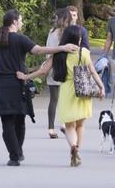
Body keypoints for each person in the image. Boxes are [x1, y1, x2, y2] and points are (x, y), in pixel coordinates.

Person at [0, 9, 79, 166]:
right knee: (20, 120)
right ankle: (18, 152)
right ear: (14, 22)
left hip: (2, 84)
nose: (22, 23)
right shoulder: (20, 39)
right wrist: (62, 48)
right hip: (18, 83)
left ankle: (14, 156)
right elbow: (39, 50)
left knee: (6, 122)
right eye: (20, 20)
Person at [18, 25, 104, 167]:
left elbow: (43, 71)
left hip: (66, 90)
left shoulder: (59, 53)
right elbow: (93, 72)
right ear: (79, 38)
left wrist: (26, 76)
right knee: (80, 125)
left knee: (69, 126)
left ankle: (73, 146)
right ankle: (78, 150)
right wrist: (101, 87)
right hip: (82, 91)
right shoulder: (84, 52)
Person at [43, 8, 72, 138]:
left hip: (52, 66)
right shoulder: (68, 32)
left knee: (53, 100)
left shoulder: (52, 32)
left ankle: (50, 128)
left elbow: (47, 49)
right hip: (65, 68)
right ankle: (64, 124)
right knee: (66, 99)